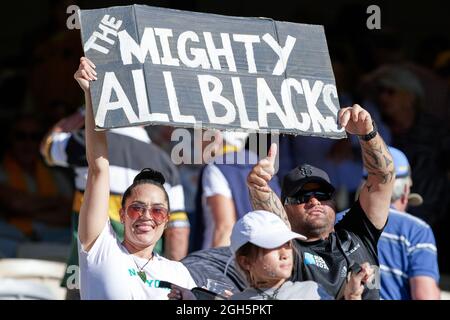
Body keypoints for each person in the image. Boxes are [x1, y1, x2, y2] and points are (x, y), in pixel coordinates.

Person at [74, 57, 195, 299]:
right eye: (136, 208)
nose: (147, 216)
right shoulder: (101, 249)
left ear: (167, 219)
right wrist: (91, 95)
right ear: (121, 214)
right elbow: (98, 168)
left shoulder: (180, 274)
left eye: (158, 210)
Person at [247, 104, 395, 299]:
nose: (314, 201)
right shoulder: (289, 252)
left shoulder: (357, 234)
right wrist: (259, 187)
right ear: (285, 208)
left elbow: (381, 177)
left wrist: (367, 133)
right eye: (302, 197)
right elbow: (273, 219)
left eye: (323, 194)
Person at [40, 108, 190, 299]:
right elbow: (178, 231)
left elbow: (48, 146)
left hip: (87, 267)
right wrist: (172, 282)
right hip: (151, 276)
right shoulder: (166, 164)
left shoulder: (83, 142)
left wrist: (85, 111)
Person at [171, 210, 374, 300]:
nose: (285, 253)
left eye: (287, 244)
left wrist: (353, 295)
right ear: (245, 261)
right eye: (272, 246)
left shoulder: (313, 291)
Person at [337, 146, 440, 299]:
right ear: (405, 191)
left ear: (363, 187)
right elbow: (425, 295)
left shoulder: (336, 221)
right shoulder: (418, 230)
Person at [193, 131, 281, 250]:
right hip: (261, 256)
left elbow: (224, 228)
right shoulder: (264, 167)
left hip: (229, 258)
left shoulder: (216, 169)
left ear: (216, 137)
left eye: (201, 133)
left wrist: (217, 266)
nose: (197, 142)